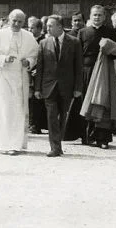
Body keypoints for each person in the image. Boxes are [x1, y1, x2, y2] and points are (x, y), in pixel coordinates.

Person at [0, 9, 38, 155]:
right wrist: (3, 59)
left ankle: (16, 144)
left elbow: (35, 56)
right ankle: (3, 144)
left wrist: (29, 62)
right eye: (14, 20)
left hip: (20, 77)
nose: (17, 24)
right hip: (2, 76)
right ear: (8, 20)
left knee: (18, 110)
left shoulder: (28, 36)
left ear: (24, 22)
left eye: (20, 21)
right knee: (4, 109)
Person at [35, 15, 83, 157]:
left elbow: (78, 67)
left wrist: (78, 88)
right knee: (51, 117)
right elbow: (40, 67)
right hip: (48, 87)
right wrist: (38, 88)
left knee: (64, 118)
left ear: (60, 27)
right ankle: (55, 147)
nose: (47, 28)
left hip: (67, 87)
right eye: (47, 26)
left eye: (50, 26)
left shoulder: (74, 42)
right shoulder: (44, 43)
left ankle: (59, 144)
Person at [73, 5, 116, 145]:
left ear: (104, 17)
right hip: (86, 72)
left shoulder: (110, 32)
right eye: (95, 15)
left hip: (104, 73)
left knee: (102, 104)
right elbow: (77, 54)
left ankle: (102, 138)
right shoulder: (82, 32)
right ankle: (86, 136)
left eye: (100, 15)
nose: (97, 17)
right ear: (90, 16)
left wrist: (108, 48)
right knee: (86, 104)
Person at [27, 16, 47, 134]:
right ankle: (31, 123)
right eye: (29, 28)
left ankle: (38, 124)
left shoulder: (44, 41)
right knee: (30, 100)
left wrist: (38, 70)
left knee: (39, 100)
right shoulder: (28, 40)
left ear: (39, 28)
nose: (30, 30)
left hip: (41, 75)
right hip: (29, 73)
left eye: (32, 28)